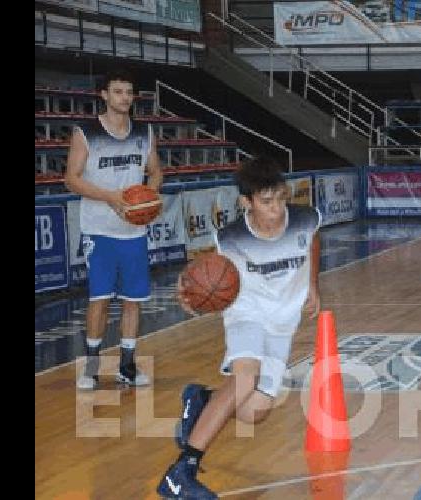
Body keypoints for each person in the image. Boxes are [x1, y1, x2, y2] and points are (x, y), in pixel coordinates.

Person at [156, 156, 322, 499]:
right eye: (266, 202)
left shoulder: (305, 219)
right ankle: (181, 472)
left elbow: (315, 240)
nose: (276, 208)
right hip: (247, 312)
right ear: (246, 202)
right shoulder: (230, 238)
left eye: (279, 198)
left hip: (283, 322)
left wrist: (313, 285)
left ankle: (202, 399)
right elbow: (206, 272)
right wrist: (185, 288)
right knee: (246, 376)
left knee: (254, 411)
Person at [65, 69, 163, 390]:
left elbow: (156, 172)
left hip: (133, 232)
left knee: (133, 300)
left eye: (129, 92)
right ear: (104, 95)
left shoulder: (144, 133)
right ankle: (91, 367)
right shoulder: (86, 132)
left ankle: (127, 366)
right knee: (100, 298)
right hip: (99, 230)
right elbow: (71, 178)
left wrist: (149, 195)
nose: (124, 97)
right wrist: (110, 197)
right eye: (118, 91)